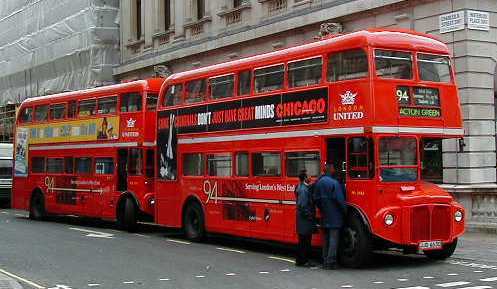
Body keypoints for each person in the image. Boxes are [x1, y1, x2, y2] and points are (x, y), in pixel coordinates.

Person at [314, 162, 346, 269]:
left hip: (325, 214)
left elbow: (316, 199)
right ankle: (331, 261)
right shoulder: (334, 183)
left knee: (326, 239)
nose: (334, 170)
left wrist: (322, 208)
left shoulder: (319, 183)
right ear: (330, 169)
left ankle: (325, 260)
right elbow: (340, 200)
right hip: (335, 215)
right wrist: (344, 211)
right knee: (333, 240)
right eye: (333, 168)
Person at [294, 170, 316, 267]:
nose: (310, 177)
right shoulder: (303, 190)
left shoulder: (301, 187)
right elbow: (302, 206)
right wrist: (309, 215)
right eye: (309, 176)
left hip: (302, 219)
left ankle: (300, 260)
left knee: (303, 241)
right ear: (305, 178)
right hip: (304, 220)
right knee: (305, 241)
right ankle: (304, 261)